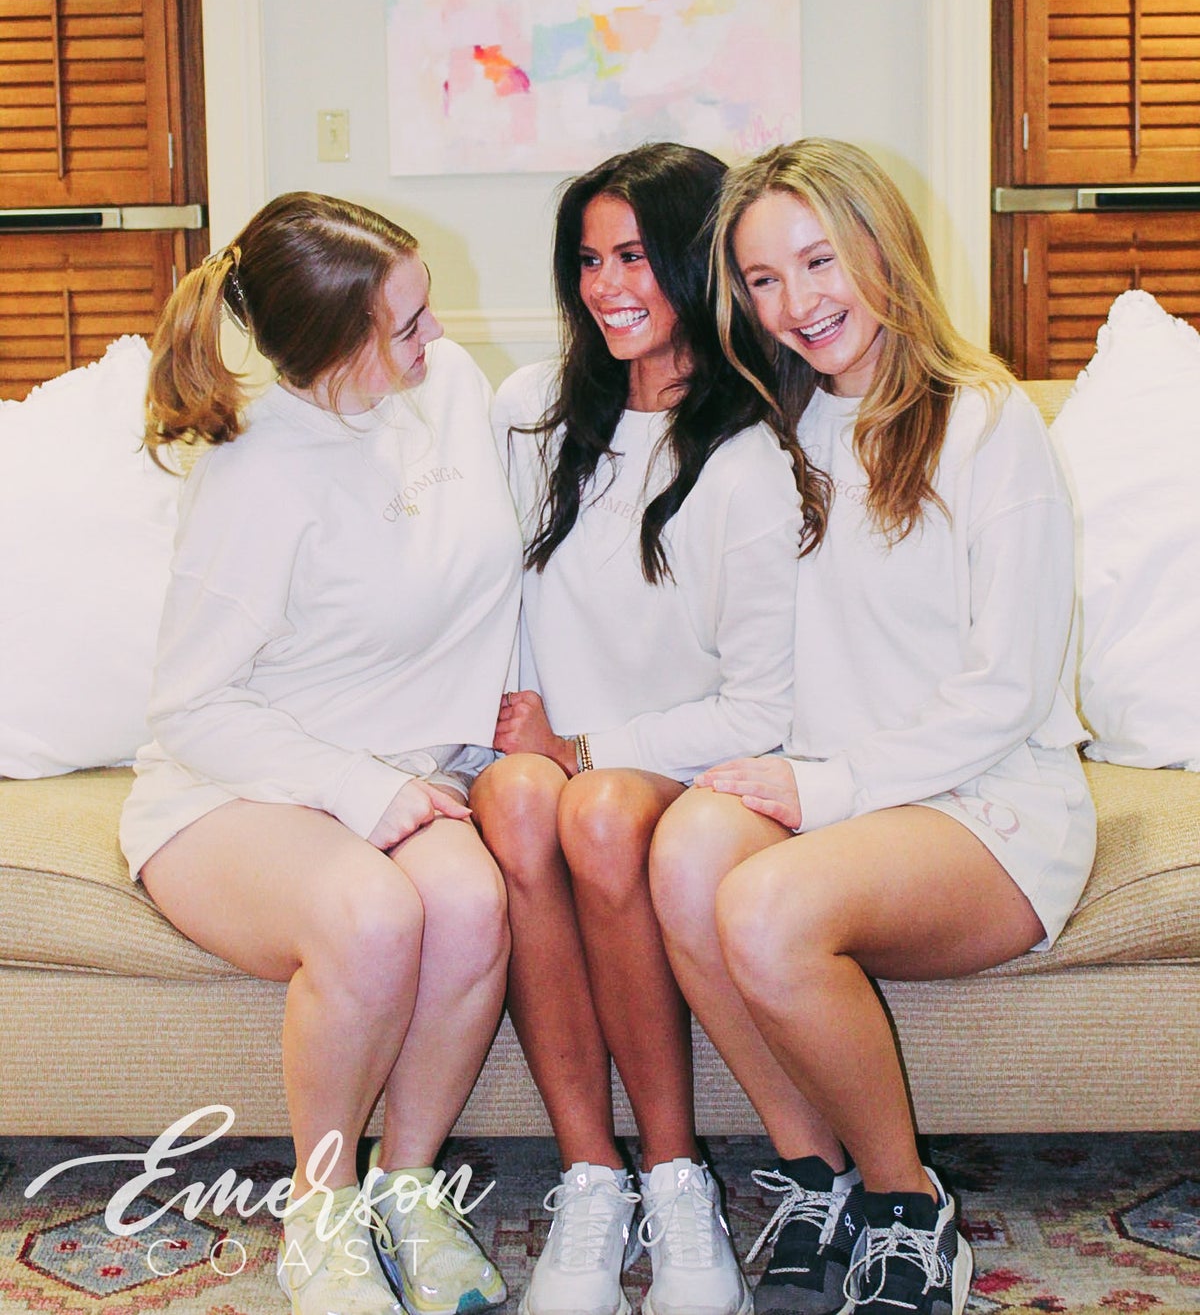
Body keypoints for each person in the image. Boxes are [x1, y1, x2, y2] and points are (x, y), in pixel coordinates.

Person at [649, 140, 1096, 1315]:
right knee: (685, 849)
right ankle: (818, 1176)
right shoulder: (774, 437)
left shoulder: (987, 422)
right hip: (842, 801)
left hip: (989, 804)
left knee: (764, 901)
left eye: (818, 259)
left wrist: (824, 786)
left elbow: (1009, 689)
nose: (796, 302)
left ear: (881, 244)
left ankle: (908, 1204)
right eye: (762, 278)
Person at [119, 192, 523, 1315]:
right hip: (237, 784)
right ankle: (323, 1208)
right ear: (333, 349)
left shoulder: (448, 388)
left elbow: (499, 577)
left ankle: (409, 1189)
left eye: (427, 305)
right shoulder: (253, 471)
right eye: (407, 323)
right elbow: (192, 704)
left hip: (409, 769)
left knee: (471, 905)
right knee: (375, 914)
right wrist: (356, 786)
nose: (439, 335)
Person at [472, 142, 811, 1315]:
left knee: (602, 809)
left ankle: (677, 1180)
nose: (607, 285)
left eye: (634, 256)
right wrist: (521, 744)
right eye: (588, 259)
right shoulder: (529, 411)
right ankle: (591, 1176)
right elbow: (487, 599)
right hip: (536, 758)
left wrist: (583, 749)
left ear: (694, 262)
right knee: (524, 800)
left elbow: (761, 705)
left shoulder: (752, 453)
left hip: (674, 762)